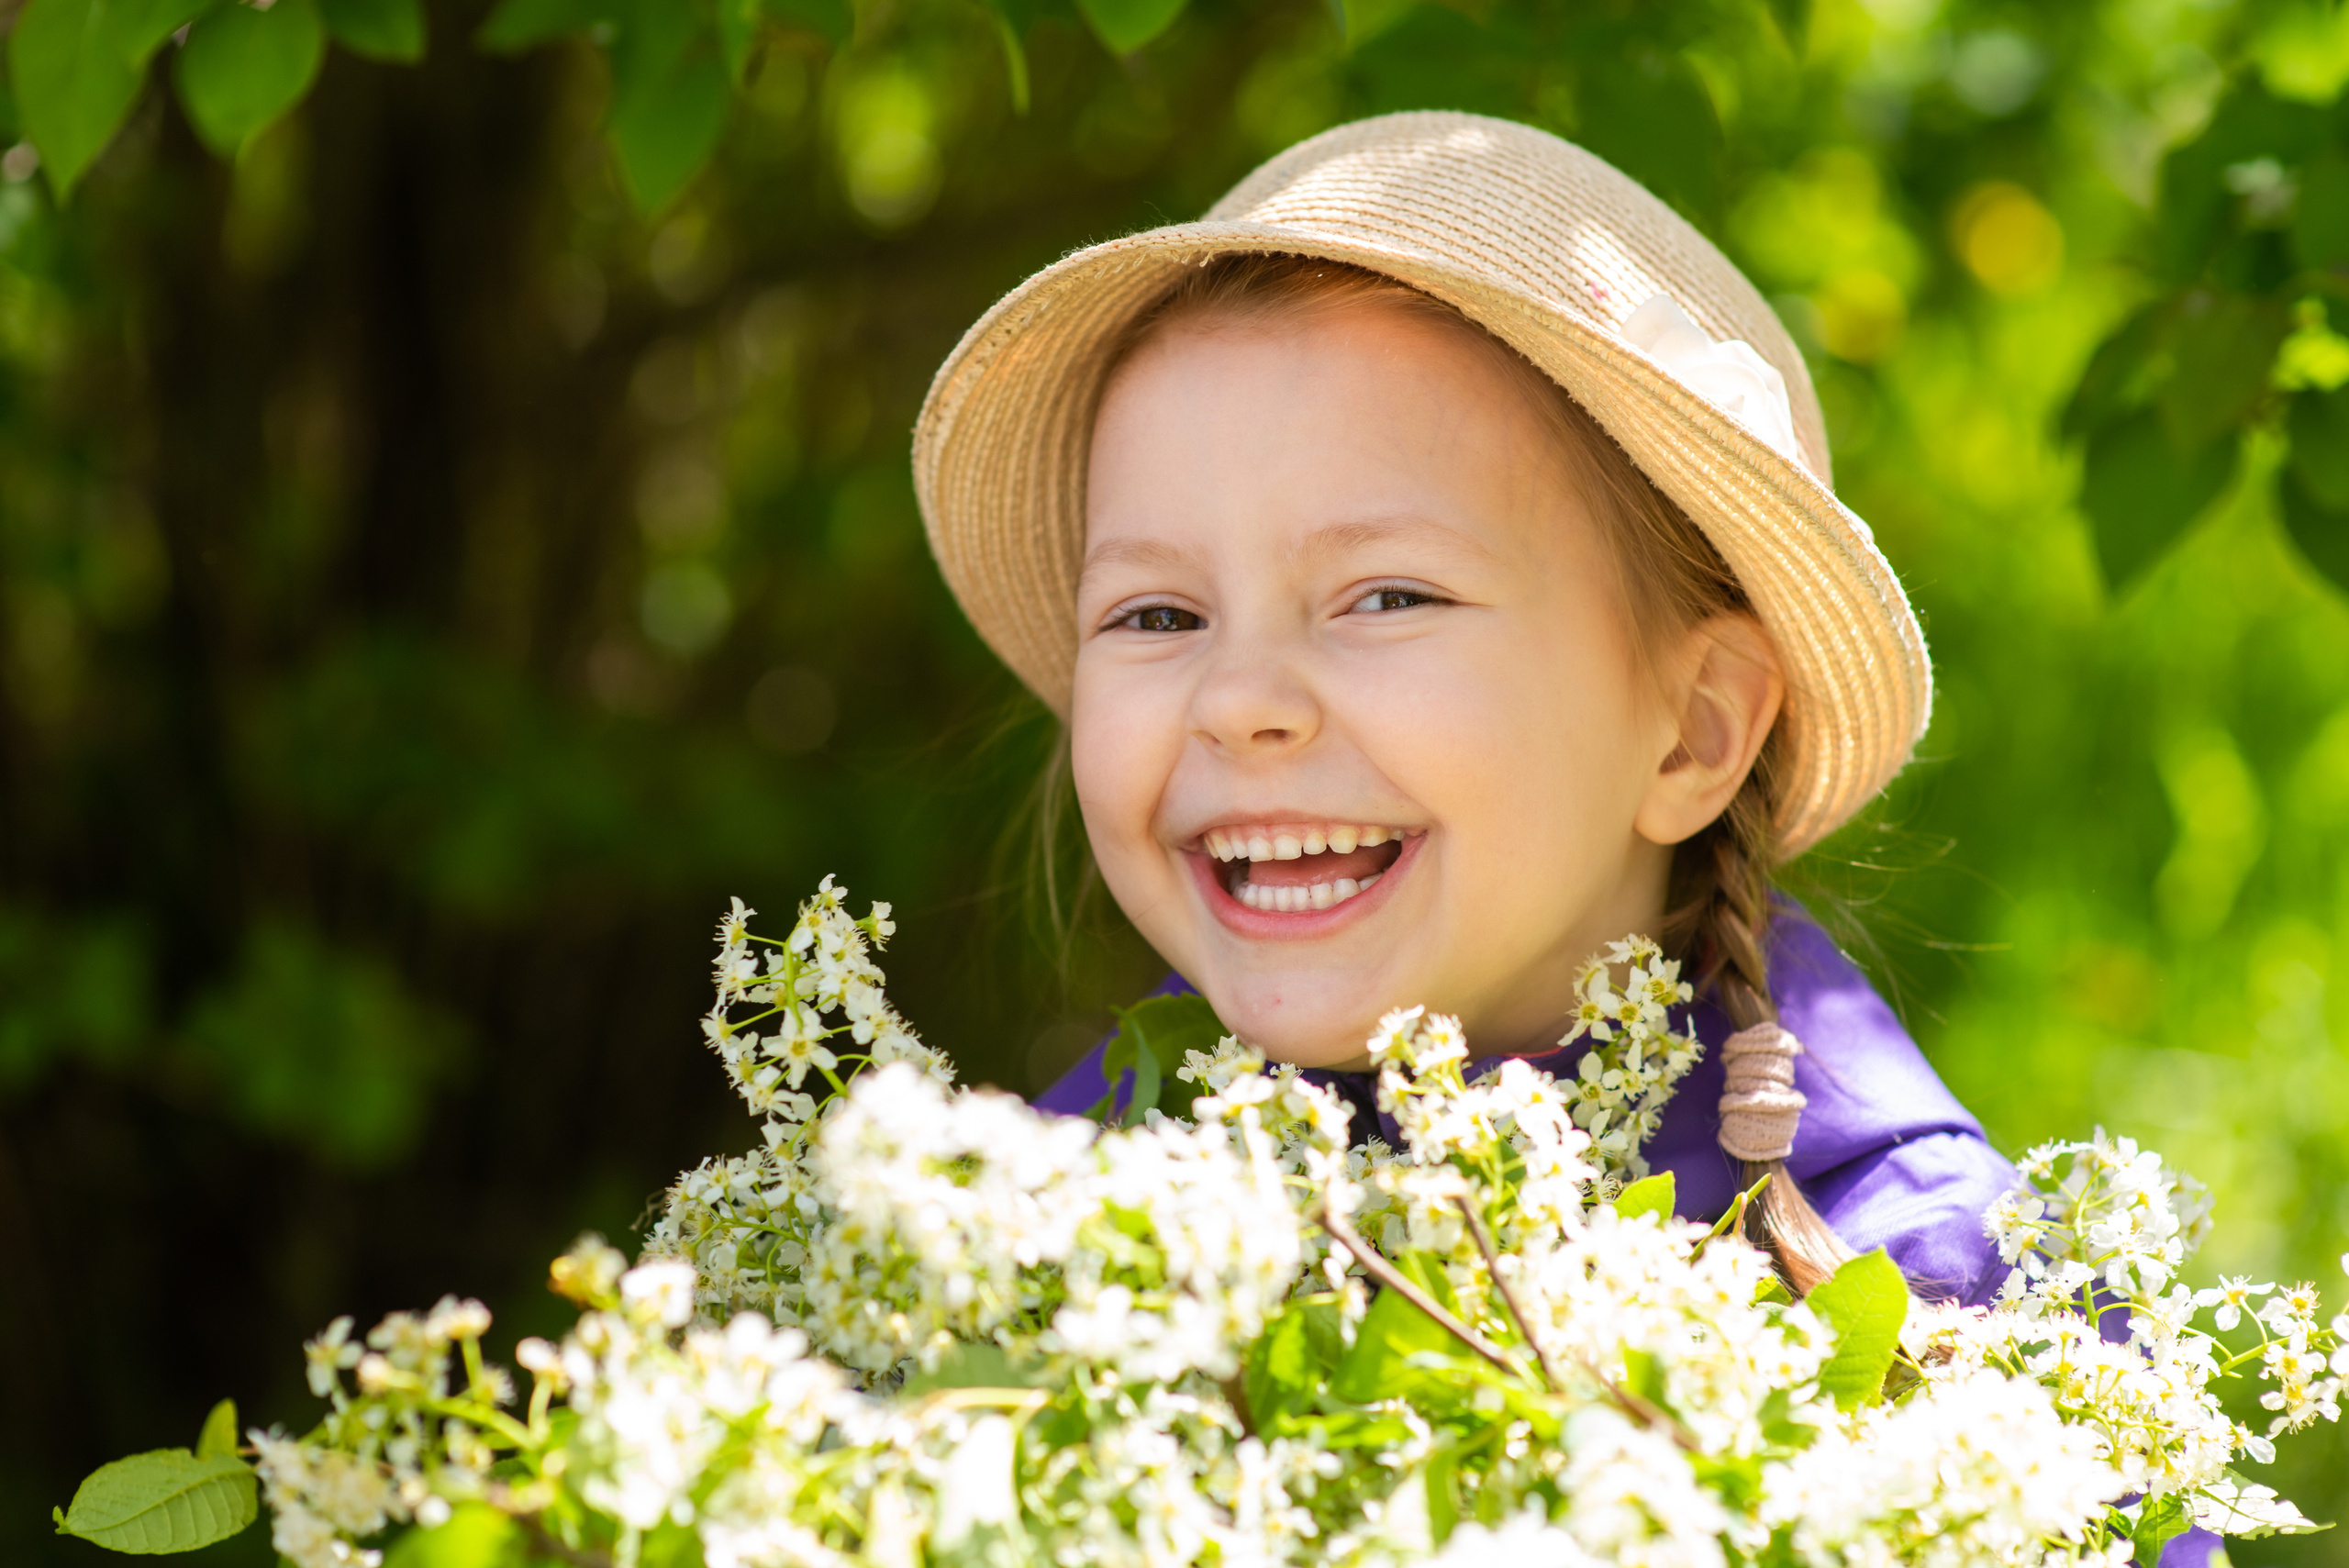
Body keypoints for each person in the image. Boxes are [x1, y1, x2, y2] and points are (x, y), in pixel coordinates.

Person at [912, 111, 2009, 1309]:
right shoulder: (1035, 1229)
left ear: (1694, 729)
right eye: (1159, 615)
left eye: (1388, 597)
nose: (1237, 700)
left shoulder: (1924, 1295)